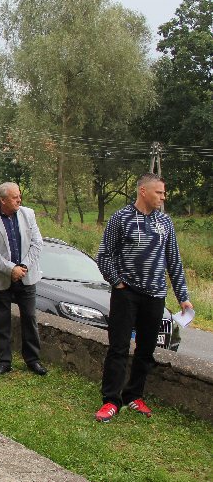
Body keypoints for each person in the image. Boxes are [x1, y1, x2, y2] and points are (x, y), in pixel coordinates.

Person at [94, 173, 193, 422]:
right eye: (159, 192)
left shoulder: (165, 222)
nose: (163, 197)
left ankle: (134, 395)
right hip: (126, 294)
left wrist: (183, 297)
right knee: (118, 347)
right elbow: (104, 255)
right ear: (143, 191)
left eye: (164, 193)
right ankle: (111, 401)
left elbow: (174, 261)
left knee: (146, 350)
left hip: (155, 296)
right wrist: (117, 282)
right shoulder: (121, 218)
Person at [0, 182, 47, 376]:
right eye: (15, 197)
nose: (19, 200)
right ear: (3, 200)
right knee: (1, 321)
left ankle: (33, 360)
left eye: (19, 196)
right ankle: (4, 361)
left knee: (30, 318)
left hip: (26, 276)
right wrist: (10, 269)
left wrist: (23, 267)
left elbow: (37, 243)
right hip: (1, 278)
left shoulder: (28, 214)